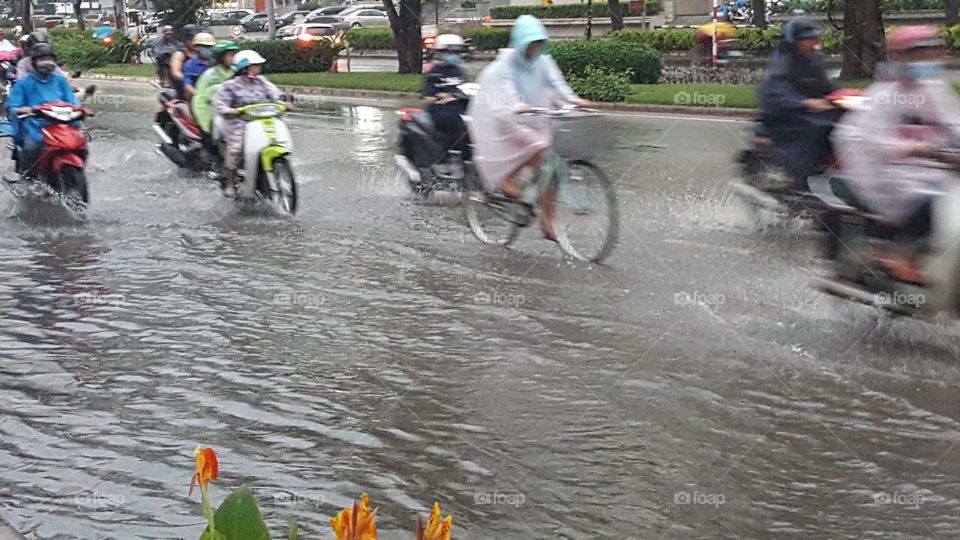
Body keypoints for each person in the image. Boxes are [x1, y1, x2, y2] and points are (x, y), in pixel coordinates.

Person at [831, 26, 960, 283]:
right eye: (918, 54)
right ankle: (903, 255)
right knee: (932, 199)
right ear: (899, 56)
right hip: (889, 174)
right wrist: (911, 148)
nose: (926, 60)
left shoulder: (934, 90)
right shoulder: (883, 94)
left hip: (929, 167)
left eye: (929, 53)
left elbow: (954, 124)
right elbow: (867, 139)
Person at [467, 15, 588, 241]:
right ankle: (507, 179)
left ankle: (547, 218)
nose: (535, 49)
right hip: (505, 121)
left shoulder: (543, 62)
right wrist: (518, 105)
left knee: (552, 169)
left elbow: (556, 83)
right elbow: (506, 90)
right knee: (538, 144)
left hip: (531, 118)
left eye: (538, 44)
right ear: (521, 42)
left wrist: (574, 100)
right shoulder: (504, 66)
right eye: (531, 44)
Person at [757, 16, 839, 191]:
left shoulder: (813, 60)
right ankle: (800, 178)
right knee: (819, 128)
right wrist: (805, 102)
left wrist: (843, 96)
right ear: (794, 40)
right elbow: (778, 91)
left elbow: (826, 85)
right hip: (786, 116)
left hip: (808, 111)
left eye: (813, 38)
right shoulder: (782, 61)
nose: (812, 42)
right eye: (806, 39)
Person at [213, 50, 287, 197]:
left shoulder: (262, 81)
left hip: (264, 119)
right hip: (241, 121)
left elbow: (275, 94)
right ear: (244, 68)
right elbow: (219, 104)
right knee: (236, 149)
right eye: (255, 66)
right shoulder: (230, 86)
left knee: (277, 139)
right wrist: (231, 111)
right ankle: (230, 182)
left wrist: (284, 101)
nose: (258, 69)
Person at [6, 43, 81, 175]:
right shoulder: (24, 82)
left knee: (79, 143)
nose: (47, 63)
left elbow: (71, 100)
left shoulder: (60, 80)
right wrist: (22, 109)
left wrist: (80, 110)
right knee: (32, 147)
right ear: (34, 62)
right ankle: (27, 175)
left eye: (50, 59)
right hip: (36, 126)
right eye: (42, 59)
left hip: (60, 123)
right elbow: (13, 104)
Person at [422, 33, 469, 172]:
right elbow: (427, 98)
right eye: (450, 52)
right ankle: (450, 159)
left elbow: (465, 88)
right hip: (441, 111)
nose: (454, 55)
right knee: (454, 123)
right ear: (439, 52)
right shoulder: (433, 72)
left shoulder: (458, 70)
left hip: (461, 108)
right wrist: (443, 97)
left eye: (457, 52)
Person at [192, 40, 239, 135]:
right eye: (230, 55)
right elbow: (210, 95)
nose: (234, 58)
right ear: (221, 57)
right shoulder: (211, 74)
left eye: (234, 55)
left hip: (228, 107)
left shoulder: (235, 70)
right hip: (207, 108)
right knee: (213, 135)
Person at [181, 32, 216, 99]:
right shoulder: (189, 65)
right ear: (196, 48)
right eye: (204, 46)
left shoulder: (216, 62)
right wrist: (201, 97)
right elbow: (187, 85)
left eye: (209, 47)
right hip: (198, 99)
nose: (208, 49)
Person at [169, 24, 199, 97]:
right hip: (185, 89)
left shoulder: (201, 53)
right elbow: (175, 72)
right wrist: (189, 78)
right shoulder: (179, 54)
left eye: (195, 39)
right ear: (185, 39)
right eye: (190, 39)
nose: (193, 42)